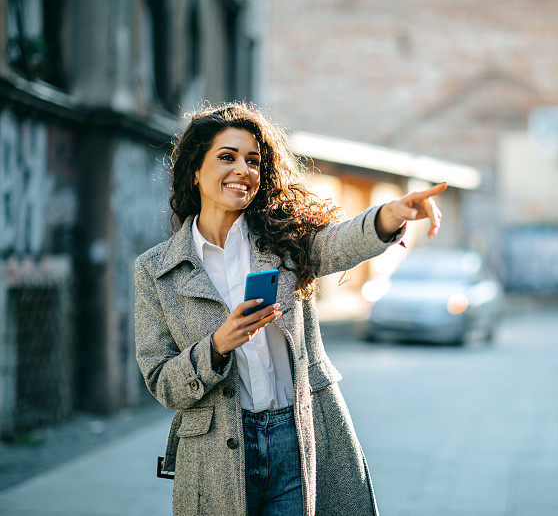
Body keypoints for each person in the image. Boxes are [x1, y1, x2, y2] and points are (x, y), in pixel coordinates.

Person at [133, 102, 446, 516]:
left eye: (253, 160)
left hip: (298, 434)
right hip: (216, 453)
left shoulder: (285, 240)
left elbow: (339, 242)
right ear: (195, 169)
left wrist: (389, 215)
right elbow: (161, 380)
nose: (242, 170)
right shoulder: (156, 270)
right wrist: (216, 346)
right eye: (226, 157)